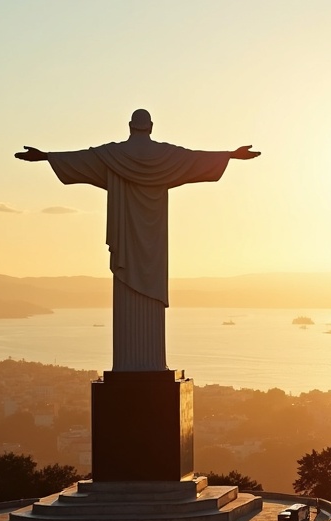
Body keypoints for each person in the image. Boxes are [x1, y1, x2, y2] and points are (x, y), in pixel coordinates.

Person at [16, 109, 259, 371]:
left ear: (130, 127)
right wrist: (231, 155)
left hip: (124, 245)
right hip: (155, 246)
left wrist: (45, 156)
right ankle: (152, 363)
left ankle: (128, 365)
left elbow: (80, 159)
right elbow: (194, 159)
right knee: (149, 301)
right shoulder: (167, 158)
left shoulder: (111, 156)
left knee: (127, 293)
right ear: (151, 127)